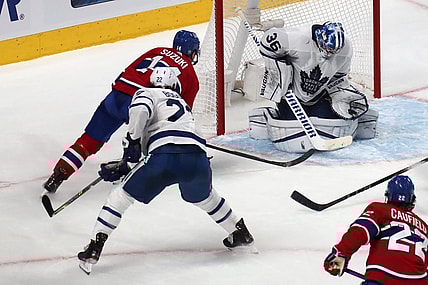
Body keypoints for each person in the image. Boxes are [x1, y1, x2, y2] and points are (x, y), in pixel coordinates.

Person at [77, 67, 255, 275]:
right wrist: (125, 163)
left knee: (120, 197)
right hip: (197, 158)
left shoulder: (147, 93)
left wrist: (132, 144)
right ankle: (240, 232)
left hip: (164, 155)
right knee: (206, 198)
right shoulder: (182, 104)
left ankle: (94, 247)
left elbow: (141, 110)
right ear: (174, 85)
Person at [43, 30, 200, 193]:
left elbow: (128, 70)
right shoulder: (191, 77)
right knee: (153, 139)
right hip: (142, 102)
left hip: (117, 94)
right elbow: (180, 116)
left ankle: (57, 176)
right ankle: (130, 164)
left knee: (88, 141)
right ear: (193, 52)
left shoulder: (157, 50)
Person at [248, 22, 379, 153]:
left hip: (320, 96)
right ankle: (265, 115)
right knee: (290, 123)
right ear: (319, 38)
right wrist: (279, 71)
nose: (329, 53)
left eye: (333, 51)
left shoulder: (346, 49)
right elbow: (268, 40)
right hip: (291, 97)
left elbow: (338, 78)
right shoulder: (295, 39)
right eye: (327, 48)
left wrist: (341, 96)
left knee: (328, 123)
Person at [324, 175, 428, 285]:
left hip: (382, 276)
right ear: (412, 199)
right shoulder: (425, 228)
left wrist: (341, 253)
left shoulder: (379, 209)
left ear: (388, 196)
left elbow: (361, 231)